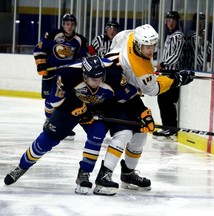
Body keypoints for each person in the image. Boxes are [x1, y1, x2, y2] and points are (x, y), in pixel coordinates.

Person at [4, 56, 152, 196]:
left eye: (100, 78)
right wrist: (80, 108)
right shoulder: (67, 74)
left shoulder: (114, 75)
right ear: (84, 75)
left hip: (95, 109)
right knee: (49, 138)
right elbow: (55, 101)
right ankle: (21, 167)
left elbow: (130, 96)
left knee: (98, 132)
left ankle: (84, 174)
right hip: (69, 107)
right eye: (93, 78)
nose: (97, 82)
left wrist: (143, 111)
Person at [93, 23, 194, 195]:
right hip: (111, 96)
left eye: (153, 45)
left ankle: (128, 174)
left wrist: (129, 80)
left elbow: (115, 42)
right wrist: (176, 80)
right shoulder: (140, 69)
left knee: (140, 132)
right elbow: (153, 89)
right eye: (147, 46)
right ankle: (103, 176)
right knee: (124, 133)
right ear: (139, 44)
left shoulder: (128, 35)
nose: (151, 49)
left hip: (121, 91)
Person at [33, 13, 88, 140]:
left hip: (68, 75)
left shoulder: (80, 40)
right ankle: (48, 121)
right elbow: (39, 49)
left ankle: (61, 125)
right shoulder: (53, 35)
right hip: (51, 72)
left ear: (75, 26)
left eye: (72, 24)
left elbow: (83, 58)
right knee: (50, 99)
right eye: (67, 24)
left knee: (66, 101)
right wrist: (41, 64)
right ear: (63, 24)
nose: (69, 27)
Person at [152, 11, 185, 141]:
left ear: (177, 22)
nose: (170, 22)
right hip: (166, 72)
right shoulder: (169, 36)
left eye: (173, 20)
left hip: (173, 72)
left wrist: (163, 64)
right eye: (169, 19)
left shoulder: (178, 36)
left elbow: (176, 56)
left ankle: (171, 129)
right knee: (163, 99)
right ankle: (168, 128)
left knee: (167, 100)